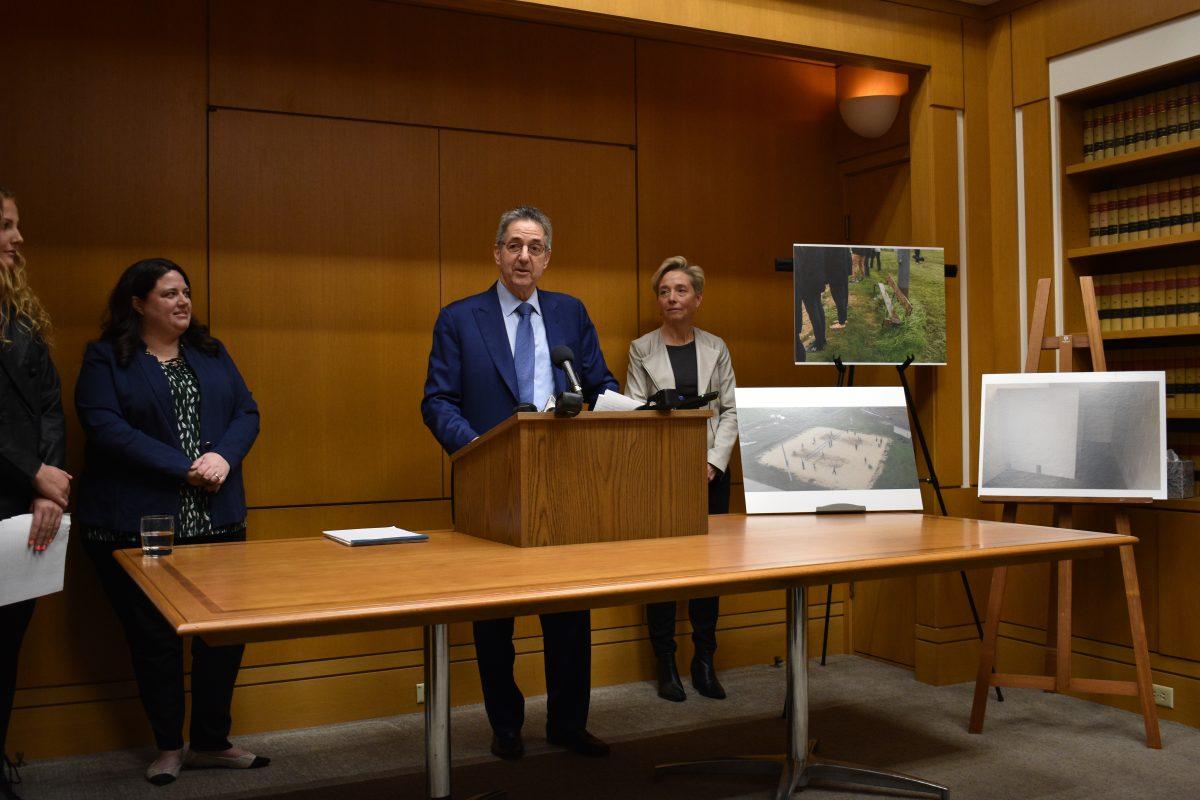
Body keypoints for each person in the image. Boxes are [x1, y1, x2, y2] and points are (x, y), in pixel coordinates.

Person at [421, 206, 617, 761]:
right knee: (494, 620)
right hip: (491, 487)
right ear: (496, 253)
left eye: (534, 247)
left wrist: (606, 406)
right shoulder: (460, 318)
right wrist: (481, 452)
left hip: (564, 487)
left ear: (547, 256)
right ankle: (505, 726)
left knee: (570, 617)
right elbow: (437, 400)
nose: (523, 256)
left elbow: (599, 383)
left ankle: (568, 723)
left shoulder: (570, 313)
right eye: (513, 245)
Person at [74, 258, 265, 786]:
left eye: (186, 292)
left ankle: (210, 741)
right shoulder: (106, 358)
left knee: (221, 637)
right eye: (168, 294)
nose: (182, 302)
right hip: (136, 524)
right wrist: (184, 468)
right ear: (137, 304)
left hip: (217, 520)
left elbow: (246, 412)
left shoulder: (210, 351)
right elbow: (105, 428)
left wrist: (223, 457)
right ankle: (167, 746)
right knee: (154, 639)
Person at [625, 257, 737, 703]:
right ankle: (666, 663)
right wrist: (670, 464)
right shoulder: (640, 349)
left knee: (709, 574)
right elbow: (634, 411)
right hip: (661, 475)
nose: (672, 298)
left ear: (697, 299)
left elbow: (730, 410)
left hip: (712, 473)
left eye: (681, 290)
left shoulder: (717, 347)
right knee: (664, 571)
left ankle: (704, 660)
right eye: (665, 291)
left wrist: (713, 461)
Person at [0, 187, 68, 800]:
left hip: (22, 512)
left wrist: (49, 483)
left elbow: (49, 404)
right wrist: (32, 471)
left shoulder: (19, 315)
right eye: (4, 226)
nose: (17, 239)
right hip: (10, 489)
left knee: (6, 647)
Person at [793, 248, 828, 358]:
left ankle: (819, 343)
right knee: (818, 306)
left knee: (814, 311)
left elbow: (800, 264)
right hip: (817, 277)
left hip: (808, 281)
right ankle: (822, 339)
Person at [824, 246, 852, 330]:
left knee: (838, 297)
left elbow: (827, 259)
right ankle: (844, 318)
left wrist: (825, 278)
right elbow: (848, 255)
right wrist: (848, 272)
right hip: (843, 271)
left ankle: (841, 322)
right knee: (843, 296)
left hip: (835, 273)